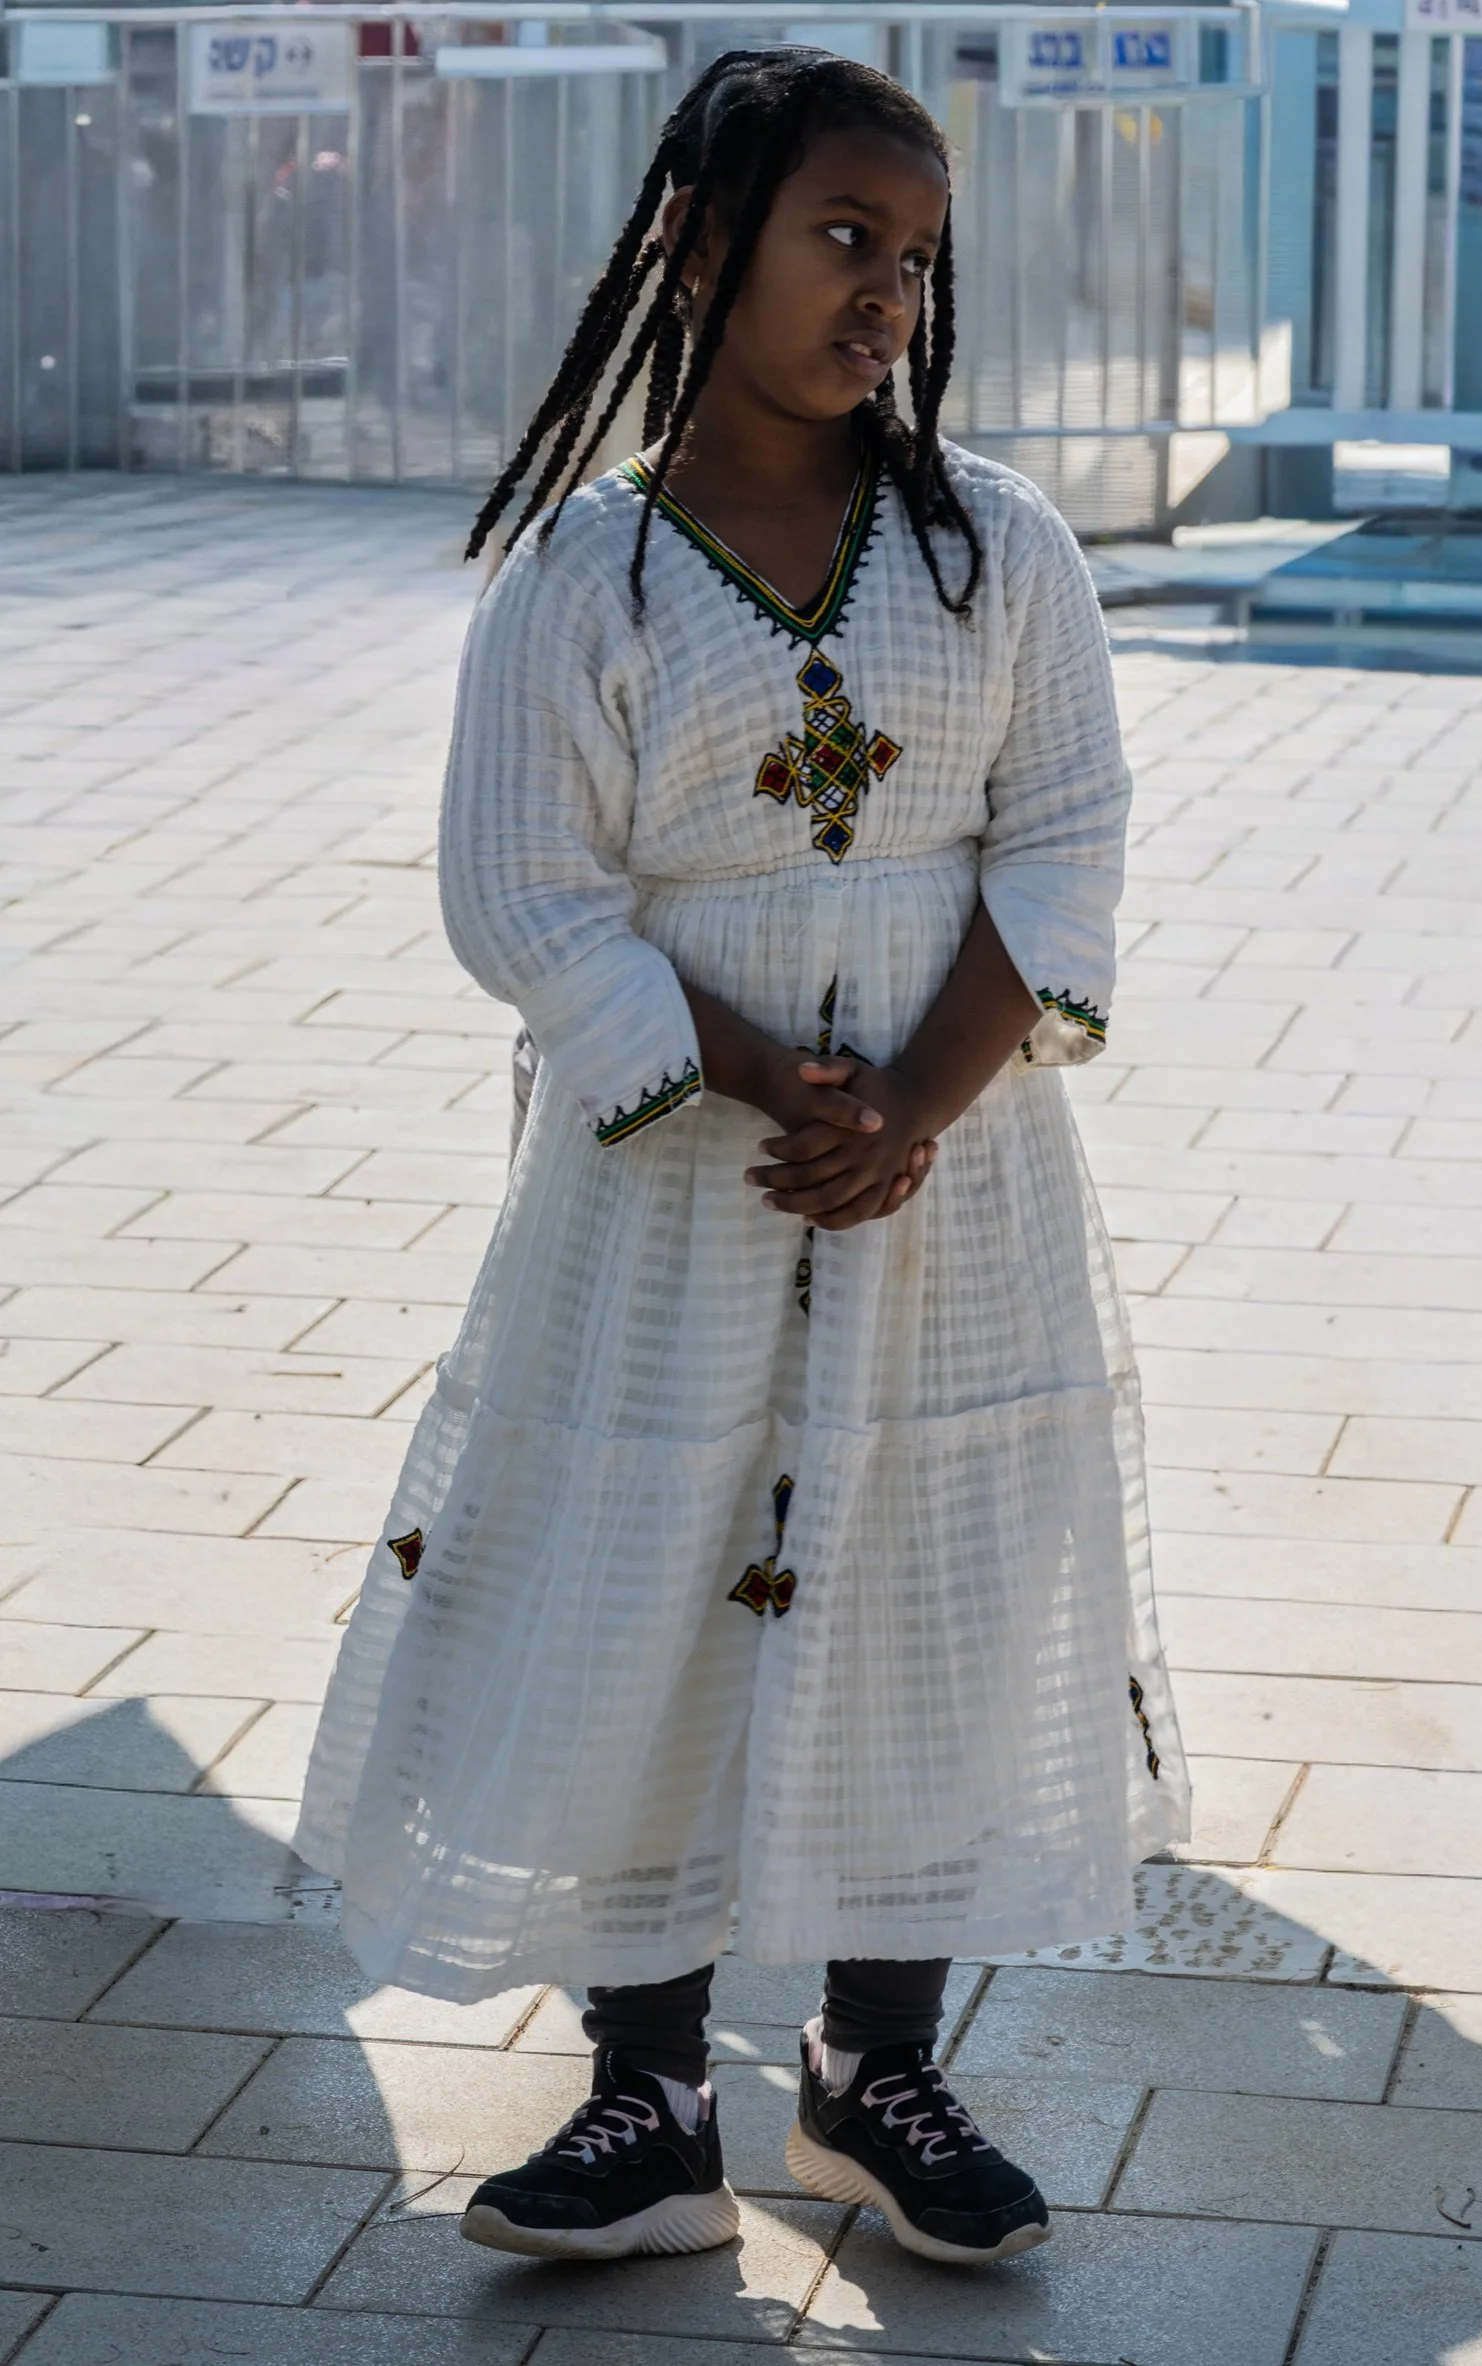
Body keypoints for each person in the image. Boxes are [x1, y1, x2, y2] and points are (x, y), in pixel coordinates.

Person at [296, 45, 1188, 2272]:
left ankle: (874, 2068)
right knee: (654, 1590)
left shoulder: (998, 550)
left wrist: (914, 1101)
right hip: (679, 1192)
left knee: (927, 1582)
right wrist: (773, 1085)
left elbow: (1063, 840)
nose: (888, 291)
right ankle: (651, 2092)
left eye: (918, 254)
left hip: (946, 1190)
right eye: (842, 236)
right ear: (699, 246)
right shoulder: (583, 580)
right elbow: (526, 889)